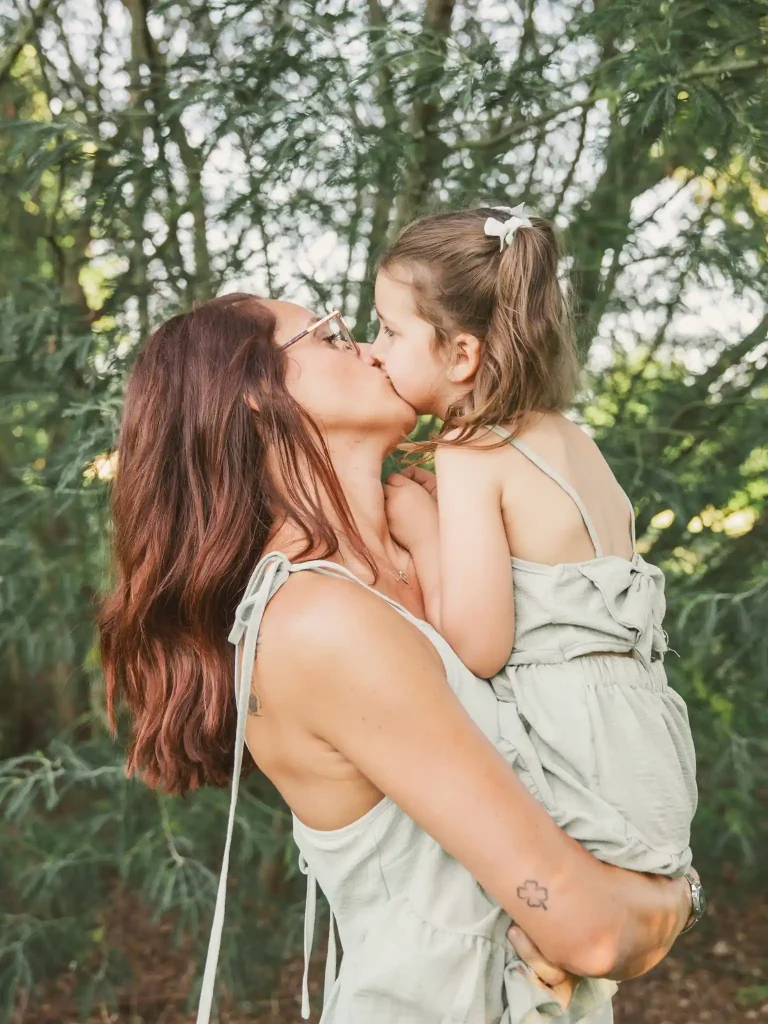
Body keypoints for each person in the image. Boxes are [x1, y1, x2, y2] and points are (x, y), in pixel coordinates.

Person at [100, 293, 700, 1024]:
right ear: (258, 396)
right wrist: (678, 893)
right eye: (329, 335)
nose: (369, 349)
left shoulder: (442, 555)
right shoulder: (316, 623)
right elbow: (593, 931)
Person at [371, 204, 700, 1013]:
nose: (374, 353)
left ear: (461, 352)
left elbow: (480, 645)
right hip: (646, 747)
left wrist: (419, 525)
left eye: (386, 332)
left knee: (516, 942)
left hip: (573, 752)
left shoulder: (471, 453)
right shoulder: (570, 440)